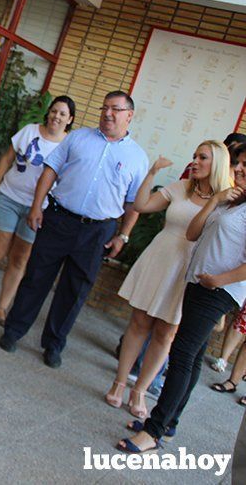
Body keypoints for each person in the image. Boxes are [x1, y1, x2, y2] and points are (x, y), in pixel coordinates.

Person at [0, 91, 148, 368]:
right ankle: (13, 330)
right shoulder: (78, 138)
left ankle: (53, 345)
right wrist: (35, 207)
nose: (107, 114)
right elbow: (50, 172)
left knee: (75, 291)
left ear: (129, 115)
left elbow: (133, 203)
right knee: (36, 277)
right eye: (104, 108)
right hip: (58, 219)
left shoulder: (137, 157)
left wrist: (123, 235)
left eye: (115, 109)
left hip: (98, 232)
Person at [118, 145, 246, 453]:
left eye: (245, 166)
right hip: (198, 283)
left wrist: (219, 280)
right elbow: (192, 234)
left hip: (218, 291)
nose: (238, 169)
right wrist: (214, 200)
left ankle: (154, 430)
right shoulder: (233, 200)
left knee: (181, 356)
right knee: (190, 356)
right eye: (238, 164)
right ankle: (169, 422)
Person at [0, 96, 75, 324]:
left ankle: (2, 308)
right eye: (53, 111)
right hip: (9, 197)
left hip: (38, 209)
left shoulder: (69, 146)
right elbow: (7, 159)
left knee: (19, 260)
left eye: (62, 114)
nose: (56, 117)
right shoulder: (30, 131)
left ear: (70, 119)